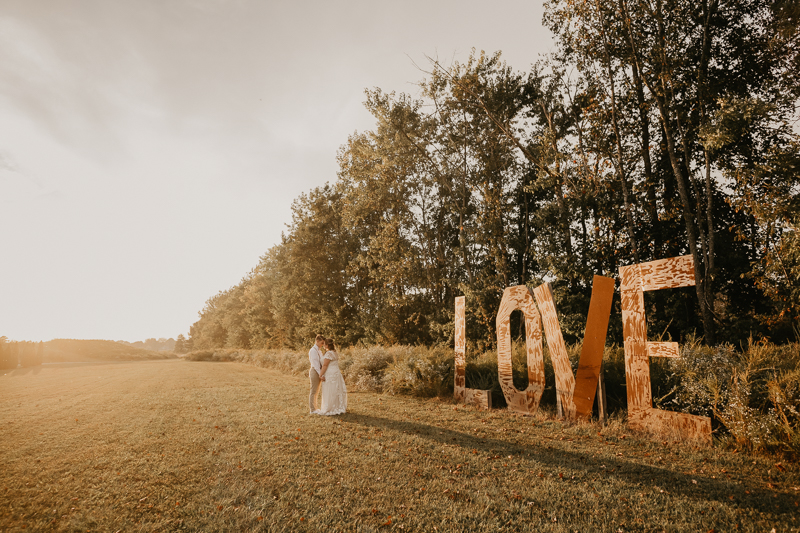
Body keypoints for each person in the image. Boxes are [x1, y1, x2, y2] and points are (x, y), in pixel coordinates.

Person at [312, 338, 347, 415]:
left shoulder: (328, 354)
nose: (323, 345)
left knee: (330, 391)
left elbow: (325, 365)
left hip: (330, 374)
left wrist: (320, 374)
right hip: (336, 373)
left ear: (327, 345)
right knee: (335, 390)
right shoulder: (334, 352)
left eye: (324, 344)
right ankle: (337, 406)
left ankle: (330, 407)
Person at [308, 334, 325, 414]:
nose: (322, 344)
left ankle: (315, 407)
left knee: (317, 390)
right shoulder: (313, 351)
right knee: (313, 390)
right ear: (317, 341)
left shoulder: (319, 350)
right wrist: (320, 374)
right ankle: (312, 409)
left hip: (319, 371)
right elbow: (315, 364)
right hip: (315, 371)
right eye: (322, 343)